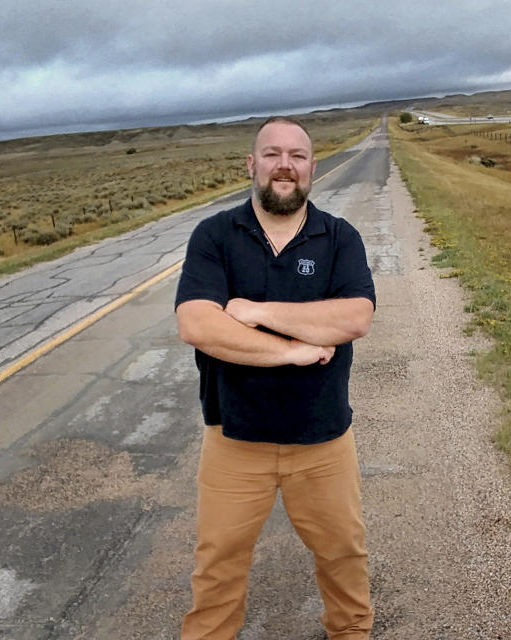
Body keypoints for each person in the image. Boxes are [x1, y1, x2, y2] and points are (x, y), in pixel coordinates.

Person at [174, 116, 376, 639]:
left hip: (324, 439)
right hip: (235, 439)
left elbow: (354, 317)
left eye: (297, 156)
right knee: (216, 566)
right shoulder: (215, 235)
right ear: (252, 164)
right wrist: (296, 353)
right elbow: (198, 324)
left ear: (312, 168)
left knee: (344, 557)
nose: (284, 166)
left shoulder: (338, 237)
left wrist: (253, 311)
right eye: (272, 154)